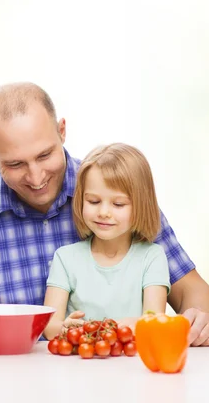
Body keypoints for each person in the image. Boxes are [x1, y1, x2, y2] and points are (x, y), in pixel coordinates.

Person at [0, 82, 209, 346]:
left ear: (62, 131)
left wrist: (198, 319)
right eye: (15, 164)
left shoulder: (116, 191)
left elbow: (192, 291)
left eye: (45, 155)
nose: (36, 177)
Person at [43, 143, 169, 339]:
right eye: (93, 201)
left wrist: (95, 329)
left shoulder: (152, 257)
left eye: (118, 204)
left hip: (131, 366)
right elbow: (49, 326)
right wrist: (64, 328)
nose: (103, 212)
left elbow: (154, 323)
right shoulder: (65, 258)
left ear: (141, 205)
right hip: (76, 365)